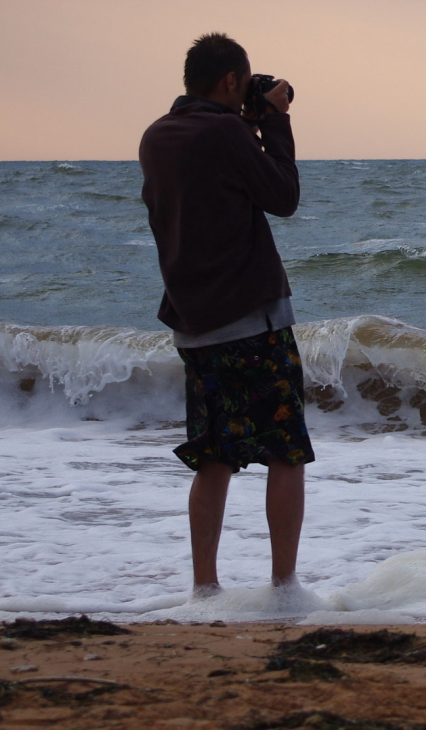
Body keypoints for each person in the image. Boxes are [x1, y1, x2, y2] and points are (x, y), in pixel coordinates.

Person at [139, 32, 311, 597]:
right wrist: (276, 122)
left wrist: (251, 124)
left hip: (193, 325)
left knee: (213, 458)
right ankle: (284, 587)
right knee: (284, 452)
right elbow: (283, 196)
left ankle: (204, 591)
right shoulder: (228, 131)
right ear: (232, 81)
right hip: (253, 319)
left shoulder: (157, 138)